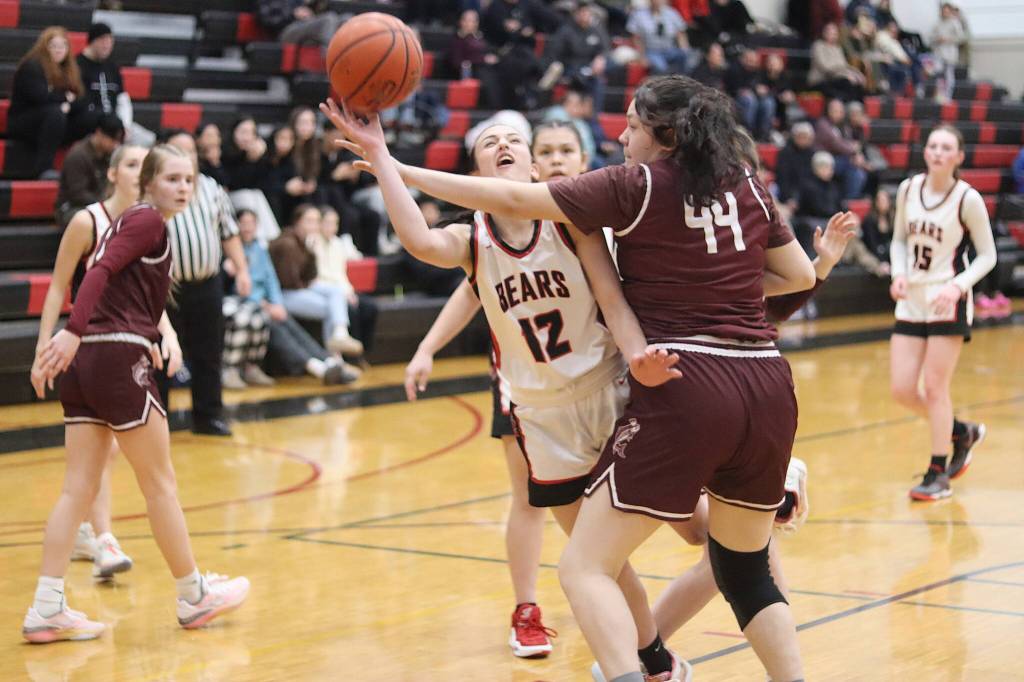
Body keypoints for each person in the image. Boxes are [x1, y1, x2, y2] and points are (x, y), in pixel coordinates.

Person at [325, 73, 818, 681]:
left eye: (633, 125)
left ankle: (640, 658)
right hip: (707, 388)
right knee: (703, 565)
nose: (622, 134)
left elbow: (610, 295)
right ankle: (662, 659)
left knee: (609, 558)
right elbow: (795, 275)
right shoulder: (743, 180)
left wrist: (387, 161)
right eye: (489, 142)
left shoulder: (607, 199)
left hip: (635, 387)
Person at [24, 144, 249, 643]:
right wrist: (72, 331)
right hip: (115, 358)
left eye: (189, 179)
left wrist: (84, 338)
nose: (183, 188)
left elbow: (108, 280)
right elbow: (95, 275)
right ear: (147, 182)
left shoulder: (132, 221)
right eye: (172, 179)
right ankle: (193, 595)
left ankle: (46, 606)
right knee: (160, 484)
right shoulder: (147, 221)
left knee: (76, 488)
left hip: (88, 366)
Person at [405, 121, 596, 660]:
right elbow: (470, 292)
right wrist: (427, 347)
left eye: (565, 152)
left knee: (629, 491)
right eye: (549, 150)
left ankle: (603, 588)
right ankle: (528, 607)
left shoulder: (587, 221)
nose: (557, 160)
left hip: (597, 377)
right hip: (525, 386)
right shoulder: (484, 235)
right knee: (530, 500)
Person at [30, 144, 149, 582]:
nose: (141, 171)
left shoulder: (147, 225)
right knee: (103, 453)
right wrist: (44, 347)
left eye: (146, 164)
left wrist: (165, 335)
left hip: (127, 347)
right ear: (114, 172)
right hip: (87, 346)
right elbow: (58, 287)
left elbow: (149, 296)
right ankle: (103, 540)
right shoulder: (88, 221)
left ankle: (89, 535)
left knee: (102, 456)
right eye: (133, 164)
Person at [889, 125, 996, 501]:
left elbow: (988, 255)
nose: (937, 152)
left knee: (935, 388)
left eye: (945, 147)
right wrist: (899, 274)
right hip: (912, 298)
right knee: (902, 389)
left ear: (959, 157)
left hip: (947, 298)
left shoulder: (967, 198)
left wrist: (957, 286)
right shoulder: (908, 189)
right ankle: (961, 432)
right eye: (932, 145)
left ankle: (938, 472)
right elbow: (900, 240)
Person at [158, 130, 252, 437]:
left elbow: (229, 232)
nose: (187, 158)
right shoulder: (153, 193)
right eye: (178, 151)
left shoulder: (212, 188)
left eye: (191, 152)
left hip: (207, 283)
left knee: (209, 353)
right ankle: (158, 419)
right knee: (162, 354)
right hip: (163, 289)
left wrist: (242, 270)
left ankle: (208, 415)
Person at [237, 208, 357, 385]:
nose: (248, 228)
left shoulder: (259, 248)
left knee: (291, 324)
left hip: (273, 301)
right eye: (244, 224)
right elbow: (287, 281)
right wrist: (266, 305)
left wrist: (275, 303)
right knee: (275, 325)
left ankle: (330, 361)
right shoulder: (236, 251)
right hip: (252, 304)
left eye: (252, 224)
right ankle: (317, 367)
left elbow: (272, 281)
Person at [269, 204, 364, 356]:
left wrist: (311, 253)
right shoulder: (287, 244)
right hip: (281, 296)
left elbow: (310, 275)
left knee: (336, 295)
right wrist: (307, 282)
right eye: (310, 221)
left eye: (316, 221)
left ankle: (340, 336)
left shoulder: (306, 242)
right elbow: (290, 282)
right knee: (332, 308)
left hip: (297, 290)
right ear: (297, 221)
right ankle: (334, 357)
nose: (314, 225)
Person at [7, 26, 93, 178]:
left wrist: (67, 104)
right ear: (44, 48)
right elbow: (40, 97)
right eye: (54, 46)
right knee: (55, 113)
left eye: (63, 46)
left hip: (54, 121)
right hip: (24, 121)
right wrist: (65, 99)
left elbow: (81, 99)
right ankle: (43, 168)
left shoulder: (70, 69)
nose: (59, 50)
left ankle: (86, 166)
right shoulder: (32, 66)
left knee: (89, 116)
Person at [310, 206, 378, 355]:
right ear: (319, 223)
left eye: (335, 223)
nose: (332, 227)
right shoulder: (313, 243)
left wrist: (349, 291)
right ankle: (348, 355)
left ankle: (362, 352)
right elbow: (318, 274)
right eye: (328, 223)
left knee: (370, 307)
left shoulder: (338, 244)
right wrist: (344, 293)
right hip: (323, 289)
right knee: (351, 311)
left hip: (342, 289)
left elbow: (342, 273)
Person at [76, 22, 154, 148]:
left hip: (115, 122)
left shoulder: (112, 66)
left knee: (149, 140)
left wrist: (125, 125)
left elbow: (122, 98)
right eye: (102, 40)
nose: (107, 44)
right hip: (91, 124)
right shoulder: (78, 65)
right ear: (92, 41)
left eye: (110, 40)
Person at [54, 113, 125, 228]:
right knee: (100, 220)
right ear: (99, 133)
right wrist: (107, 206)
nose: (115, 145)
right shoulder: (78, 155)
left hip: (98, 205)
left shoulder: (109, 155)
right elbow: (78, 194)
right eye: (112, 140)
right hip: (71, 208)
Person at [626, 0, 695, 76]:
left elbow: (680, 33)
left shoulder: (671, 13)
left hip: (670, 49)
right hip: (651, 50)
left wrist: (685, 50)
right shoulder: (639, 15)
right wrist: (641, 57)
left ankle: (682, 82)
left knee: (687, 60)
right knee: (661, 68)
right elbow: (636, 38)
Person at [808, 22, 865, 101]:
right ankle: (847, 106)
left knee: (858, 83)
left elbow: (845, 65)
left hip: (837, 78)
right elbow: (826, 67)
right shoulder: (818, 46)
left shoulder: (837, 48)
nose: (833, 35)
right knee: (847, 83)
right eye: (830, 33)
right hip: (821, 80)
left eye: (834, 33)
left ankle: (856, 108)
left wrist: (857, 73)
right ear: (824, 33)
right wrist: (845, 75)